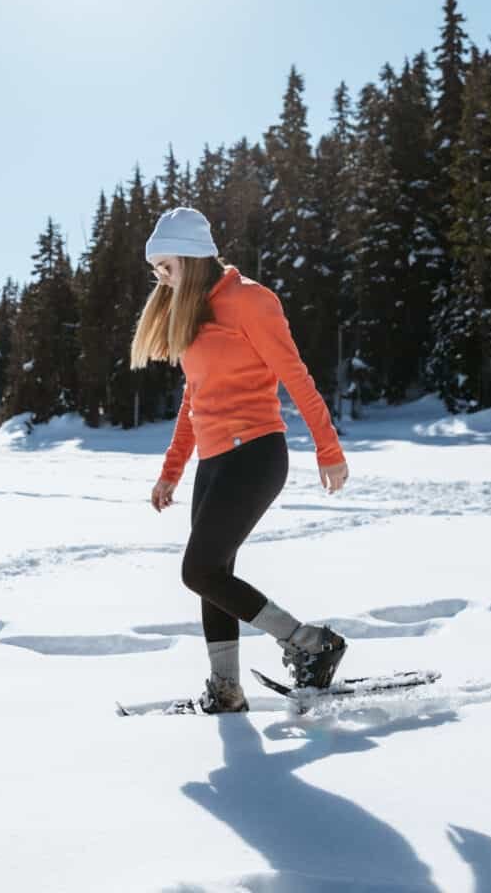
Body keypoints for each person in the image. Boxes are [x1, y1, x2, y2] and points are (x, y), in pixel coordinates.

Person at [130, 206, 351, 714]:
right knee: (214, 578)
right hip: (213, 463)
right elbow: (194, 399)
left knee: (200, 570)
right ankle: (226, 689)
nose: (161, 278)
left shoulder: (250, 301)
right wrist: (171, 471)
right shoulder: (195, 311)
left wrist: (328, 447)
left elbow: (296, 376)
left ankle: (309, 642)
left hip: (255, 453)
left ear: (192, 256)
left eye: (167, 266)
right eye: (156, 270)